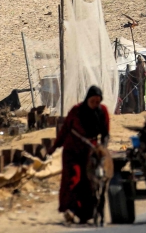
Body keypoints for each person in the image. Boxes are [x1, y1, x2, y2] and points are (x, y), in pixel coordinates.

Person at [54, 86, 110, 224]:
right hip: (72, 150)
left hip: (90, 151)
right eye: (93, 101)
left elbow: (105, 133)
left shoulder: (102, 111)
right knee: (74, 178)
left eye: (98, 101)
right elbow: (65, 130)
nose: (95, 104)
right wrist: (55, 146)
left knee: (90, 181)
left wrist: (102, 148)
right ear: (87, 99)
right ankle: (71, 210)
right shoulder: (76, 110)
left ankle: (85, 214)